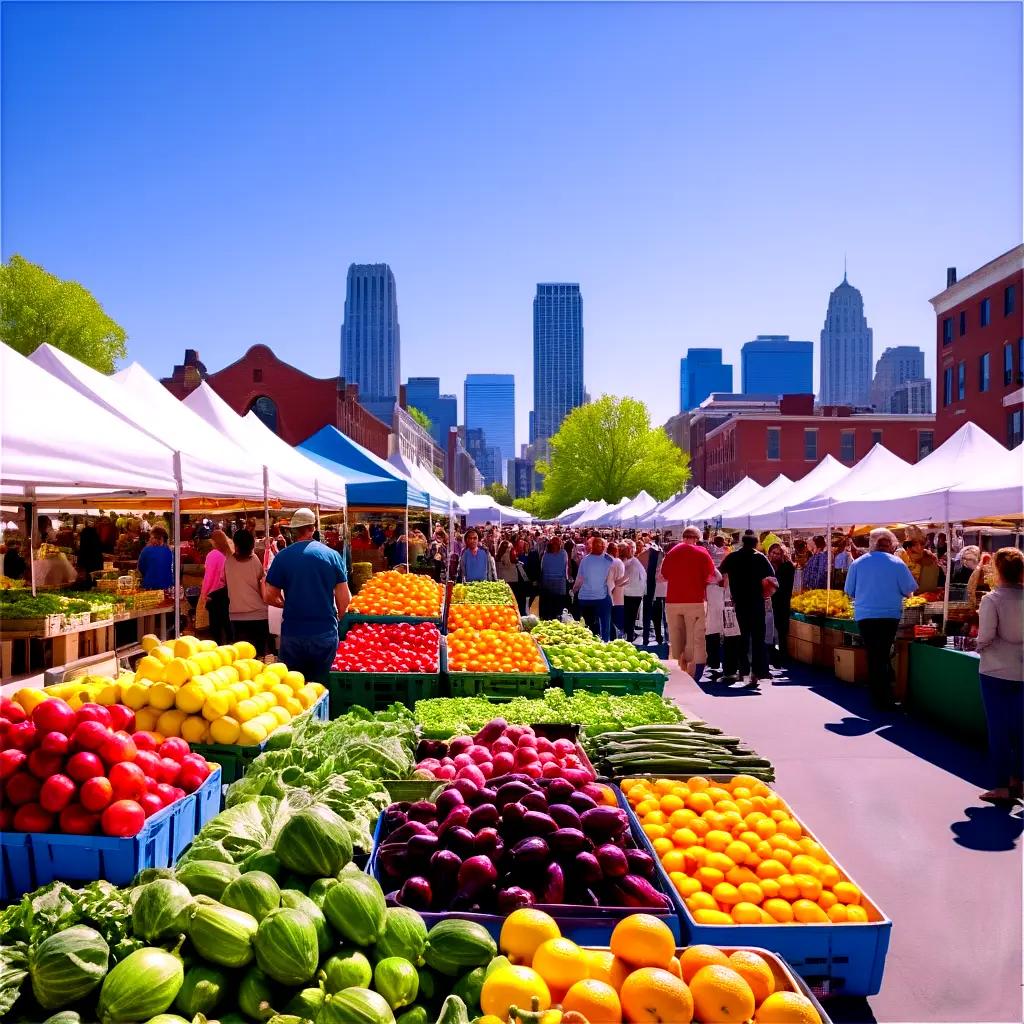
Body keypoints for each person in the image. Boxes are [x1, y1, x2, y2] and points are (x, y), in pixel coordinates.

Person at [264, 508, 350, 683]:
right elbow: (344, 600)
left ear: (294, 530)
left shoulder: (283, 557)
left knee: (294, 688)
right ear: (314, 527)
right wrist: (339, 619)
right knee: (322, 686)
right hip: (324, 631)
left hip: (293, 632)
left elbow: (269, 595)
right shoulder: (332, 556)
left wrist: (286, 604)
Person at [843, 528, 917, 710]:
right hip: (889, 615)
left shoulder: (858, 564)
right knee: (882, 654)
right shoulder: (898, 563)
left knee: (873, 654)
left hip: (865, 615)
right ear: (890, 546)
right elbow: (909, 591)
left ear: (872, 545)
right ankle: (883, 696)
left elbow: (849, 591)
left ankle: (878, 694)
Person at [974, 548, 1023, 803]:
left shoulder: (991, 600)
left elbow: (985, 636)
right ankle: (1019, 780)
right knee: (1021, 729)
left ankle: (1001, 786)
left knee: (999, 730)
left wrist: (978, 645)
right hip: (1021, 671)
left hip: (995, 670)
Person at [659, 526, 719, 679]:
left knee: (676, 635)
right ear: (697, 538)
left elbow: (663, 576)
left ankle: (677, 671)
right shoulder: (702, 553)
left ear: (683, 537)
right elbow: (712, 577)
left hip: (673, 600)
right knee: (695, 637)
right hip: (695, 600)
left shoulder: (671, 553)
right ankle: (693, 674)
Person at [719, 531, 778, 684]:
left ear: (742, 542)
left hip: (739, 602)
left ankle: (743, 670)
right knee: (758, 638)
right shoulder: (760, 557)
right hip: (757, 602)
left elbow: (720, 572)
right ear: (756, 544)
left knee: (742, 638)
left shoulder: (733, 557)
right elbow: (772, 576)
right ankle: (758, 671)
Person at [224, 529, 270, 657]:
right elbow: (262, 583)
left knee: (243, 657)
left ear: (236, 544)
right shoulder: (255, 560)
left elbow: (225, 582)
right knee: (260, 656)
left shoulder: (228, 562)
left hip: (236, 615)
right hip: (259, 615)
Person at [573, 537, 616, 641]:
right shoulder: (608, 560)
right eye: (601, 545)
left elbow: (579, 580)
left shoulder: (585, 560)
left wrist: (574, 590)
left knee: (590, 624)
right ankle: (606, 640)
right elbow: (612, 580)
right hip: (600, 598)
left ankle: (592, 638)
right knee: (605, 622)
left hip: (584, 598)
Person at [199, 529, 233, 644]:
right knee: (227, 623)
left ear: (214, 541)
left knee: (215, 627)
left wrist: (204, 593)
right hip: (228, 593)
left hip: (214, 594)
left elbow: (209, 576)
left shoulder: (213, 555)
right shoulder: (230, 553)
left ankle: (219, 648)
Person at [767, 543, 796, 669]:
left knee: (781, 629)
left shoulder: (787, 566)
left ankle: (781, 654)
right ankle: (773, 653)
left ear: (782, 554)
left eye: (777, 553)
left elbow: (784, 585)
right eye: (772, 553)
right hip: (770, 600)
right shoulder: (768, 566)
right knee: (771, 629)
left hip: (782, 601)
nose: (774, 556)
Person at [637, 536, 664, 647]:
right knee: (656, 615)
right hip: (656, 590)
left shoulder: (644, 555)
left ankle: (647, 638)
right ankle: (657, 636)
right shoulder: (659, 555)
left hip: (649, 589)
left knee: (649, 614)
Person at [620, 540, 647, 643]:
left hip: (631, 594)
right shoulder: (634, 562)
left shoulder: (630, 563)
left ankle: (629, 638)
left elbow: (623, 579)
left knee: (629, 617)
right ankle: (629, 637)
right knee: (630, 617)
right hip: (635, 593)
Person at [539, 537, 569, 620]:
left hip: (547, 582)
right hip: (559, 583)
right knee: (558, 607)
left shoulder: (545, 554)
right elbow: (566, 567)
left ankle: (549, 619)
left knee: (549, 605)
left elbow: (542, 568)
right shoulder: (563, 553)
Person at [137, 527, 174, 591]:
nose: (149, 540)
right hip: (168, 586)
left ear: (158, 538)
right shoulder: (169, 551)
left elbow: (141, 567)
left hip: (150, 586)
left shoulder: (146, 550)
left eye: (151, 538)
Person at [606, 542, 629, 638]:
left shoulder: (605, 561)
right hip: (618, 596)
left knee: (609, 621)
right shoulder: (618, 562)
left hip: (605, 595)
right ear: (616, 551)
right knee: (618, 623)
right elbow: (619, 580)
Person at [496, 539, 527, 609]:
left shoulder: (498, 556)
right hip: (512, 579)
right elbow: (512, 560)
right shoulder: (509, 550)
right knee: (513, 601)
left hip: (502, 580)